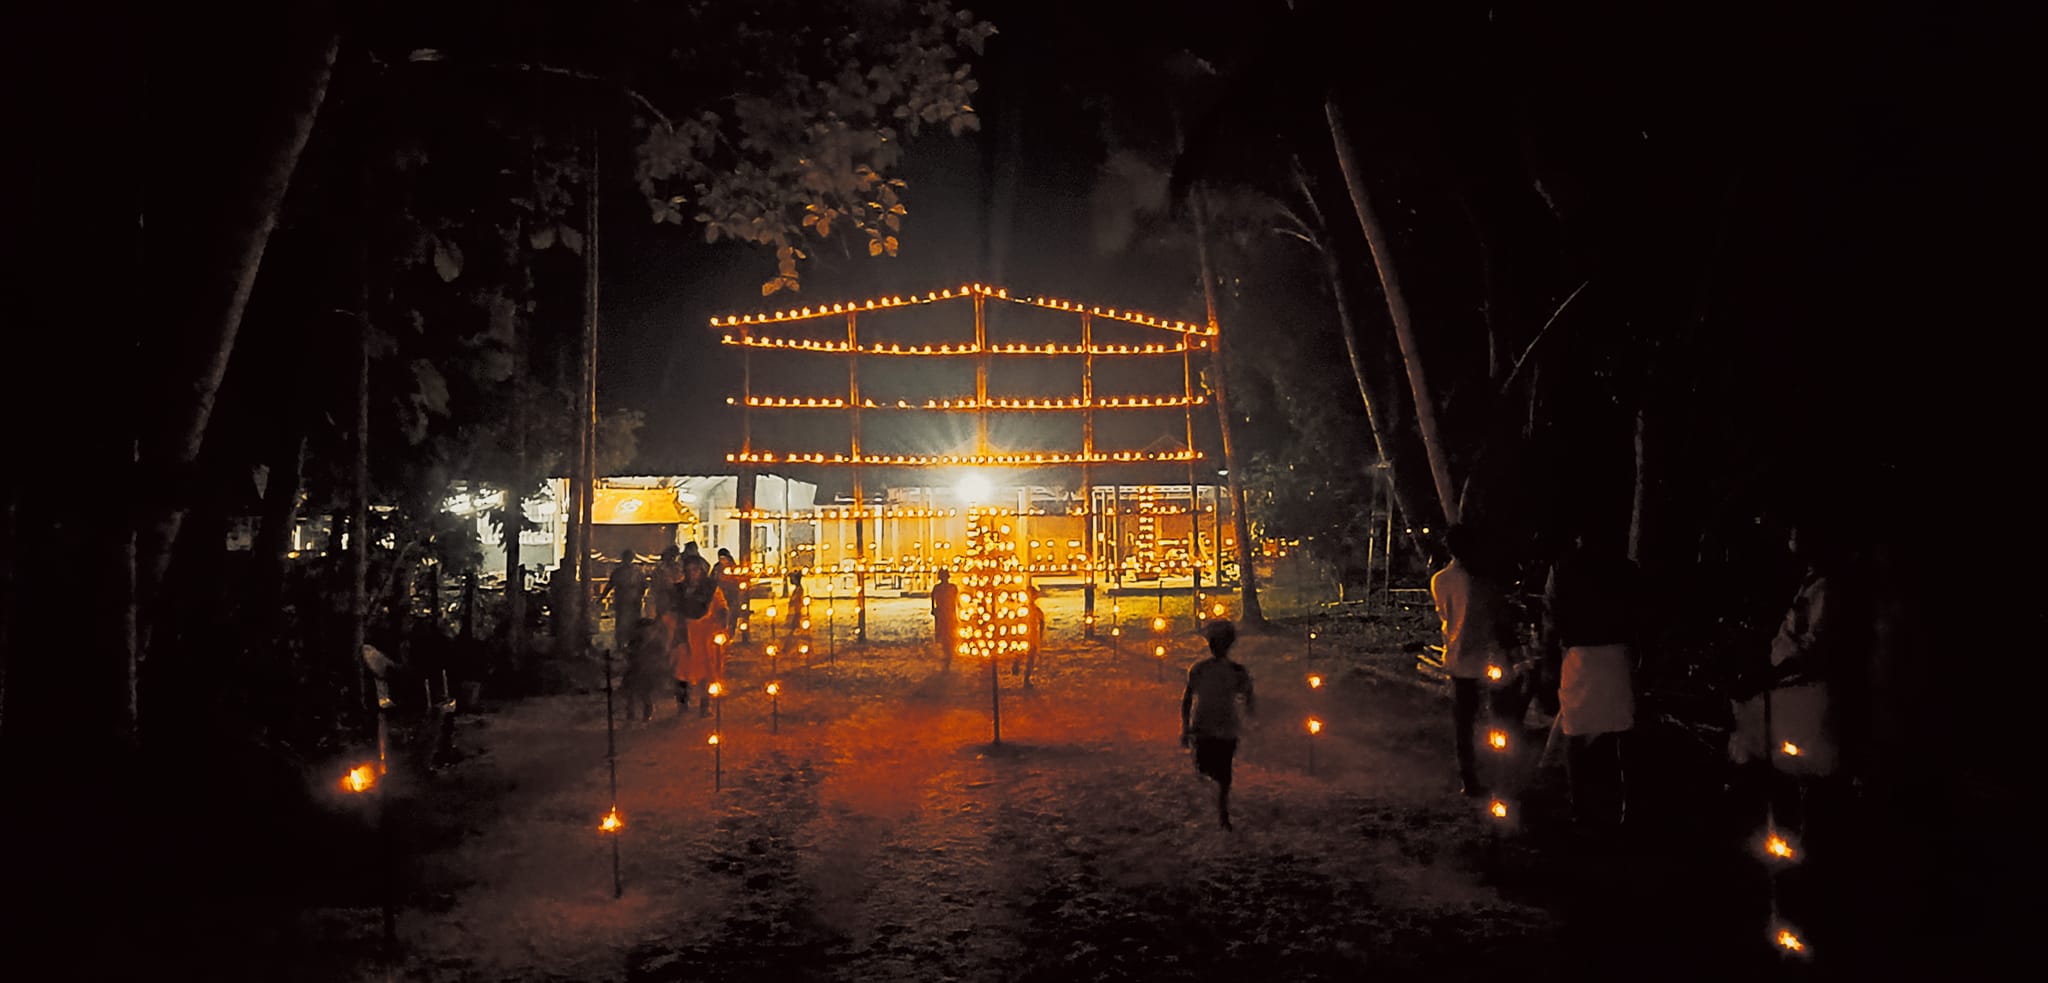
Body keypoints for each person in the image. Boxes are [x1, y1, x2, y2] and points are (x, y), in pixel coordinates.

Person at [1544, 530, 1641, 829]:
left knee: (1577, 732)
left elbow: (1552, 615)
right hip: (1617, 658)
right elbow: (1641, 615)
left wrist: (1550, 661)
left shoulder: (1563, 567)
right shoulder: (1626, 569)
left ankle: (1582, 808)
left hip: (1580, 657)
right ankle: (1624, 807)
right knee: (1619, 731)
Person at [1431, 525, 1517, 798]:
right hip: (1487, 659)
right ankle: (1500, 774)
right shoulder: (1481, 582)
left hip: (1459, 659)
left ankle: (1470, 779)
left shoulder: (1440, 580)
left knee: (1465, 723)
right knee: (1497, 719)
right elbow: (1498, 619)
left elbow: (1446, 616)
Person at [1181, 620, 1255, 830]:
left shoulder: (1234, 672)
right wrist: (1186, 727)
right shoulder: (1202, 670)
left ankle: (1223, 813)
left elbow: (1248, 694)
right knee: (1207, 768)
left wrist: (1251, 713)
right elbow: (1187, 699)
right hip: (1206, 727)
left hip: (1221, 728)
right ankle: (1218, 803)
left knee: (1224, 773)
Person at [668, 550, 730, 717]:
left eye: (695, 570)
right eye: (688, 570)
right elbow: (670, 610)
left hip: (705, 636)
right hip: (684, 634)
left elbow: (722, 607)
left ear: (701, 571)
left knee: (707, 672)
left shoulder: (711, 589)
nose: (692, 573)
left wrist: (723, 621)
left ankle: (705, 705)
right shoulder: (679, 590)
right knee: (680, 671)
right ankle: (682, 705)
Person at [598, 550, 648, 655]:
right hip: (627, 602)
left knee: (629, 623)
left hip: (629, 602)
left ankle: (627, 645)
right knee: (625, 623)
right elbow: (610, 585)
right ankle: (624, 645)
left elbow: (610, 586)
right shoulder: (636, 572)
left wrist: (601, 598)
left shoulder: (629, 572)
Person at [623, 617, 665, 722]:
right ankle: (631, 714)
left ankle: (646, 714)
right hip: (635, 669)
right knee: (631, 693)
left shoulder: (655, 642)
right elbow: (629, 654)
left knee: (645, 694)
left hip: (646, 671)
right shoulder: (635, 641)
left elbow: (659, 655)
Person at [1015, 583, 1045, 685]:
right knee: (1028, 655)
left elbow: (1042, 622)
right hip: (1028, 635)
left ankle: (1025, 677)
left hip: (1031, 635)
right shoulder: (1031, 610)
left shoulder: (1033, 610)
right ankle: (1021, 671)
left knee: (1029, 656)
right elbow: (1042, 622)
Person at [931, 568, 961, 670]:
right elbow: (933, 598)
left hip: (947, 611)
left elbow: (955, 601)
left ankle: (949, 651)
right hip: (943, 611)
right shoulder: (940, 588)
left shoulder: (949, 588)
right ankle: (947, 651)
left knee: (948, 631)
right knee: (945, 631)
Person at [649, 545, 683, 622]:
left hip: (674, 599)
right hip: (664, 599)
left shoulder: (677, 568)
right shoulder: (660, 569)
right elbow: (655, 585)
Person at [713, 548, 742, 632]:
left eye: (724, 558)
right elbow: (712, 579)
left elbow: (738, 579)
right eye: (720, 558)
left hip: (732, 595)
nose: (722, 560)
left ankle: (731, 631)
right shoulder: (717, 568)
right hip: (720, 594)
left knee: (732, 613)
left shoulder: (734, 568)